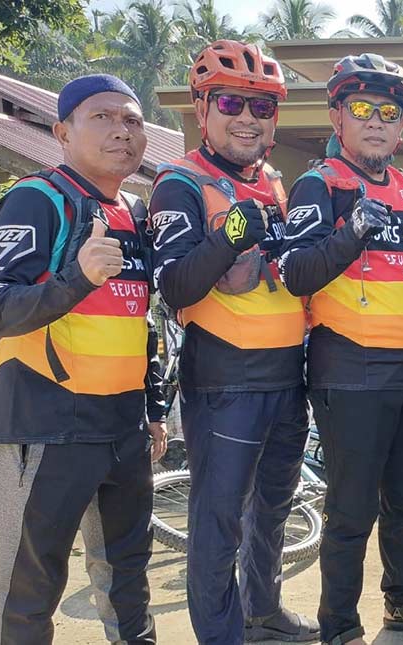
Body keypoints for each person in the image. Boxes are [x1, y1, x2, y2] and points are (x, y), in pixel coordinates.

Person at [278, 53, 403, 645]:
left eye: (389, 111)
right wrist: (351, 233)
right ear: (338, 116)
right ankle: (339, 626)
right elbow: (294, 273)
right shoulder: (320, 185)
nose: (376, 121)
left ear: (402, 124)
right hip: (350, 372)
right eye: (362, 108)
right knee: (352, 510)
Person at [0, 74, 165, 645]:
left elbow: (137, 318)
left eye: (132, 121)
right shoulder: (37, 198)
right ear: (62, 132)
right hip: (44, 424)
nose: (122, 131)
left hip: (122, 425)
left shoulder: (134, 211)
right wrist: (77, 277)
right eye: (102, 117)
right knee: (28, 588)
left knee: (128, 575)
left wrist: (153, 408)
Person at [148, 40, 317, 643]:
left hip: (287, 375)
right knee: (218, 521)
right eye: (230, 102)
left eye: (261, 106)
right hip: (225, 381)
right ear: (202, 108)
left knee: (273, 507)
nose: (247, 117)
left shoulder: (273, 181)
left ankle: (262, 608)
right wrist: (228, 236)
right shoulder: (180, 183)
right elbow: (174, 285)